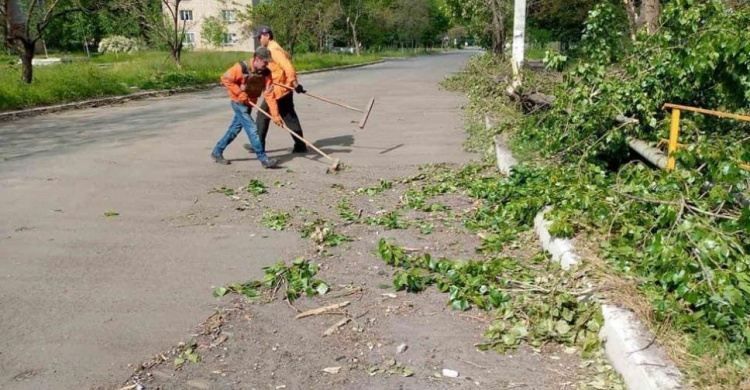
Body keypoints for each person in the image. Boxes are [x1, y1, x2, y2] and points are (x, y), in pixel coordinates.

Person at [211, 47, 283, 168]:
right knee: (252, 129)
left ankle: (217, 152)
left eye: (267, 62)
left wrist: (275, 115)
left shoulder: (266, 73)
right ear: (257, 59)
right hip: (238, 103)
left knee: (234, 130)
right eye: (264, 62)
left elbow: (269, 94)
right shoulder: (241, 67)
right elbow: (224, 78)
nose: (266, 65)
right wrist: (239, 92)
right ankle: (264, 160)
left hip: (250, 103)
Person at [250, 25, 308, 154]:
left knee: (262, 116)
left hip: (278, 90)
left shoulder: (274, 50)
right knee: (289, 118)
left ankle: (258, 145)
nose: (259, 39)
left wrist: (294, 82)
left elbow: (288, 67)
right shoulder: (273, 47)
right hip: (282, 89)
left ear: (267, 36)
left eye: (260, 37)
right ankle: (300, 145)